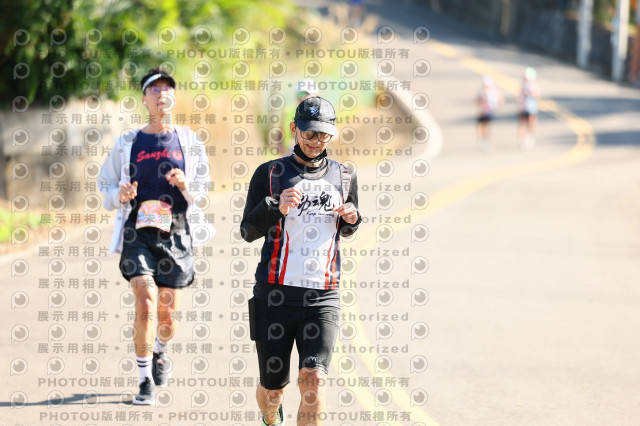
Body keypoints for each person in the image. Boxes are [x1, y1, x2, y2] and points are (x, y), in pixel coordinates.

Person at [240, 96, 361, 425]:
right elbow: (247, 231)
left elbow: (346, 228)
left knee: (314, 379)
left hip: (322, 296)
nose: (315, 141)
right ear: (294, 128)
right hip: (274, 295)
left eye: (323, 135)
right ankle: (270, 417)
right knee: (272, 391)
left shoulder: (345, 176)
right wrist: (275, 206)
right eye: (309, 134)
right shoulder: (269, 173)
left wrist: (352, 219)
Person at [98, 67, 215, 405]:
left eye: (167, 89)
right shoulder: (128, 142)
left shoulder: (189, 140)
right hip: (138, 229)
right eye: (155, 89)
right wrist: (118, 194)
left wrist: (185, 185)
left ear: (173, 97)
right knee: (145, 299)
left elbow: (203, 190)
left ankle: (160, 351)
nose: (162, 94)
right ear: (144, 99)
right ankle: (144, 380)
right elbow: (105, 184)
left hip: (176, 230)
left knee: (167, 315)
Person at [476, 75, 502, 151]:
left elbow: (499, 99)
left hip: (489, 111)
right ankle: (482, 139)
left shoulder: (493, 92)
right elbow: (477, 101)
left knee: (486, 126)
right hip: (482, 111)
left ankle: (486, 140)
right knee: (481, 126)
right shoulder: (481, 92)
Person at [518, 67, 540, 150]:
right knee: (522, 124)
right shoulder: (523, 85)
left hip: (531, 107)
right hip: (524, 107)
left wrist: (530, 93)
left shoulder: (533, 85)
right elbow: (519, 95)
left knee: (531, 123)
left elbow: (537, 94)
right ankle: (521, 140)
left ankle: (530, 136)